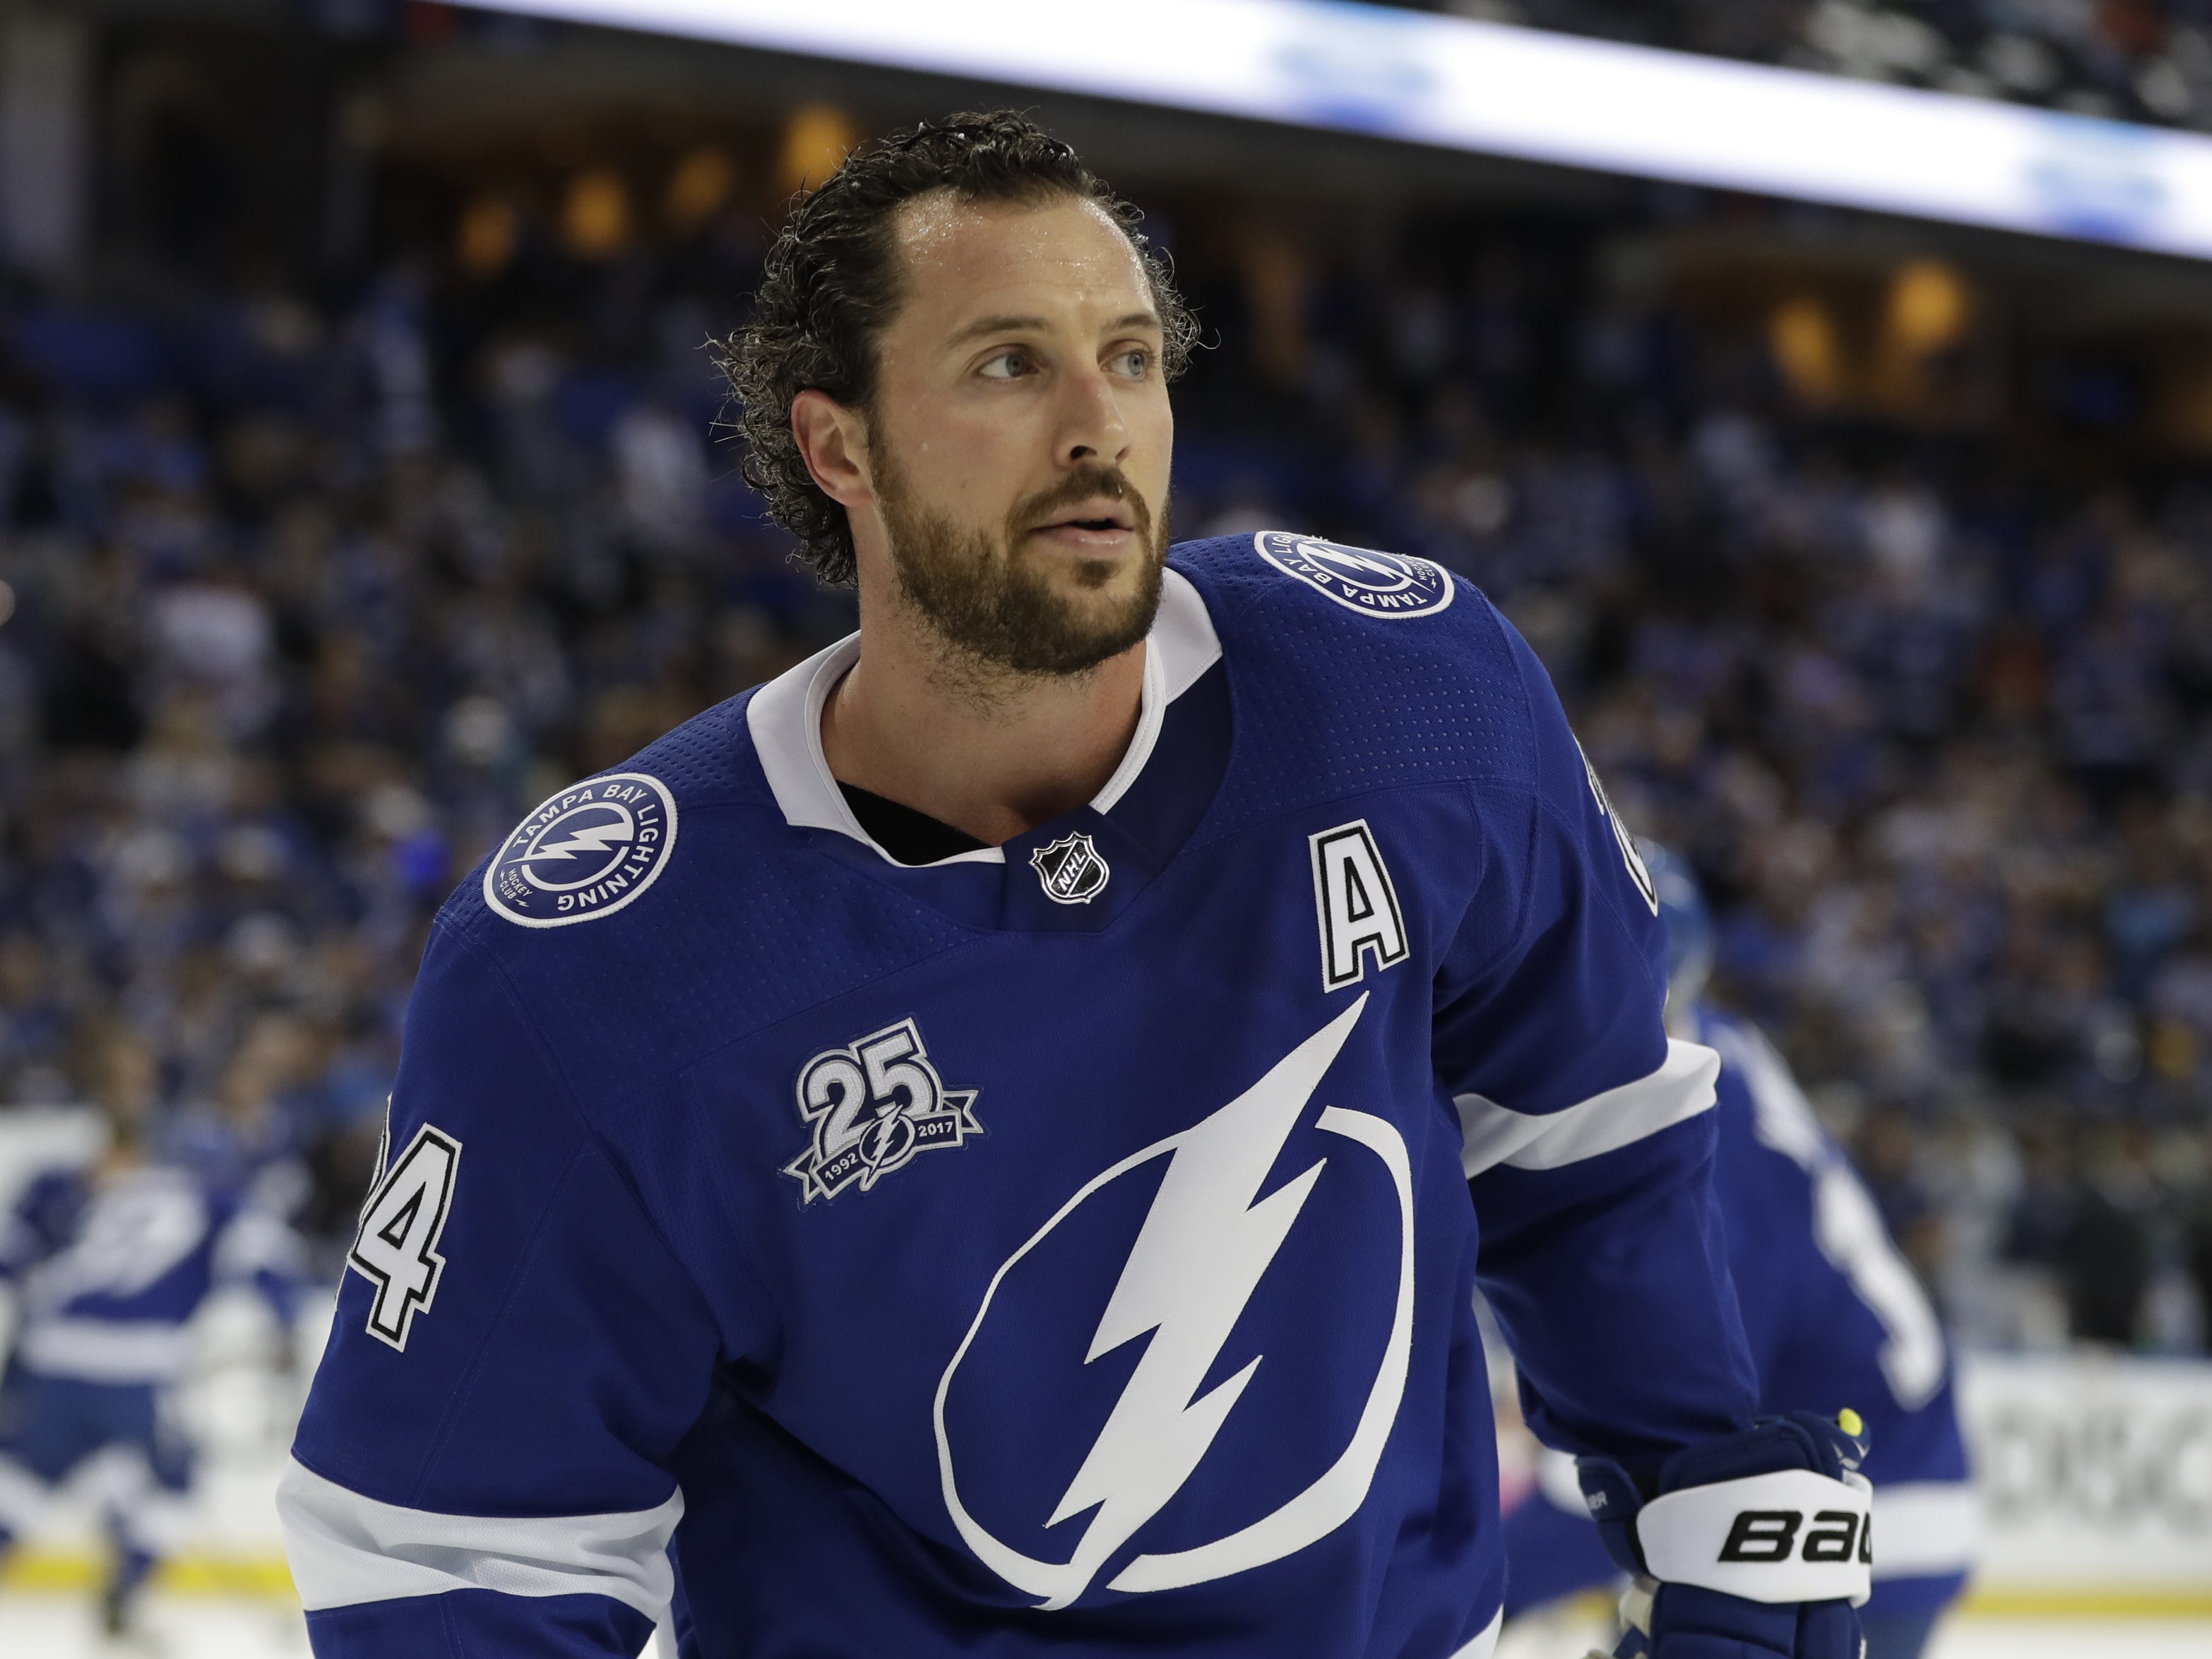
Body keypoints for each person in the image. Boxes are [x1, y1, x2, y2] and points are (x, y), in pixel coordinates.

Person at [279, 112, 1870, 1659]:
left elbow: (1581, 1129)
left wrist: (1699, 1475)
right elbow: (457, 1554)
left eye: (1130, 357)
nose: (1096, 424)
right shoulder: (600, 962)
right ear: (840, 442)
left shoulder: (1413, 697)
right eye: (1008, 364)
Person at [1499, 846, 1975, 1659]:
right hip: (1865, 1493)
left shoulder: (1690, 1131)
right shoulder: (1713, 1052)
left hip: (1848, 1522)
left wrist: (1479, 1586)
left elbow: (1684, 1428)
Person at [0, 1025, 303, 1641]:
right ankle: (129, 1585)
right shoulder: (214, 1200)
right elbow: (268, 1265)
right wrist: (287, 1328)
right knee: (170, 1484)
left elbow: (11, 1257)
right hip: (135, 1375)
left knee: (22, 1488)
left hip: (53, 1364)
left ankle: (123, 1582)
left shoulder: (65, 1186)